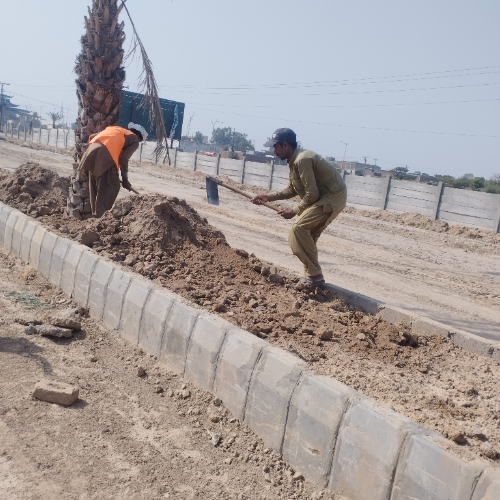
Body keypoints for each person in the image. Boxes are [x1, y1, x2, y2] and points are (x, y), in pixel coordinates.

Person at [252, 128, 347, 290]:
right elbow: (292, 189)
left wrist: (294, 210)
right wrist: (268, 197)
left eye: (275, 147)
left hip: (332, 197)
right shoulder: (293, 161)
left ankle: (315, 277)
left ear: (285, 145)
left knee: (298, 230)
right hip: (322, 198)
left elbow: (312, 193)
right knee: (307, 237)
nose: (274, 151)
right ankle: (312, 277)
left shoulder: (302, 160)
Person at [79, 122, 147, 217]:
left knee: (97, 184)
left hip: (92, 152)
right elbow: (124, 159)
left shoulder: (116, 130)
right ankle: (101, 216)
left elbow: (92, 136)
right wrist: (125, 180)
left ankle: (94, 212)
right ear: (139, 136)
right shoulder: (134, 140)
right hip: (106, 156)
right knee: (113, 185)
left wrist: (96, 153)